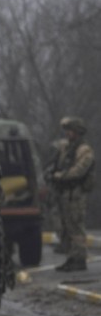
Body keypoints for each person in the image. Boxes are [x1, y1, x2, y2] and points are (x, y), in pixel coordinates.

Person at [50, 117, 95, 272]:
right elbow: (56, 164)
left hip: (76, 193)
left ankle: (79, 259)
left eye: (70, 130)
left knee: (76, 227)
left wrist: (61, 176)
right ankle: (71, 257)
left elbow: (79, 170)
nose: (68, 134)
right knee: (65, 227)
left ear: (77, 132)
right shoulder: (66, 148)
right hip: (64, 193)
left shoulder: (84, 150)